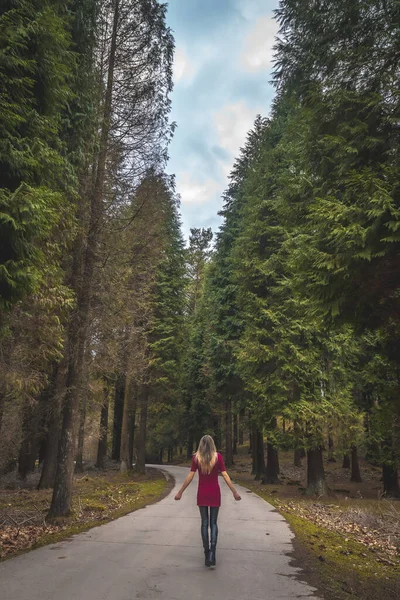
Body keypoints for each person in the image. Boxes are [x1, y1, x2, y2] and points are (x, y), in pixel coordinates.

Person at [174, 435, 241, 567]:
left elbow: (190, 476)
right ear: (212, 444)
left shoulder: (196, 458)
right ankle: (212, 553)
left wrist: (180, 491)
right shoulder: (218, 457)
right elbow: (225, 475)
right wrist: (234, 491)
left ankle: (206, 553)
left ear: (200, 444)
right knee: (213, 523)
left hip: (202, 493)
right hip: (215, 492)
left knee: (204, 523)